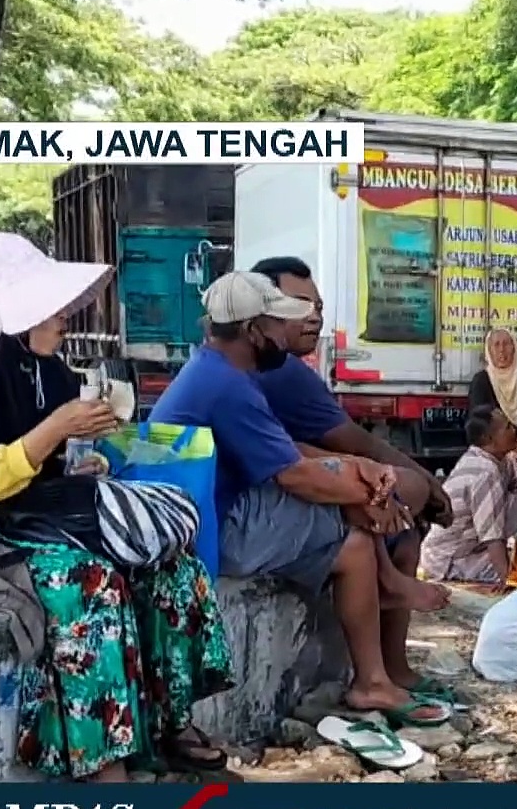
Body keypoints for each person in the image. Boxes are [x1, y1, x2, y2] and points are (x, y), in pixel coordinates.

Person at [0, 233, 231, 782]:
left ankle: (168, 723)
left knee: (171, 565)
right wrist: (54, 430)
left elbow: (45, 466)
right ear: (19, 310)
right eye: (55, 309)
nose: (66, 319)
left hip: (35, 517)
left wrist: (83, 458)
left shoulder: (47, 368)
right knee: (90, 582)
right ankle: (100, 762)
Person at [151, 272, 449, 721]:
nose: (286, 332)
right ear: (254, 331)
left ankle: (377, 666)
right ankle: (372, 681)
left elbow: (286, 449)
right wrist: (363, 493)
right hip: (217, 524)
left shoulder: (221, 370)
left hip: (215, 508)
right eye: (277, 324)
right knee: (352, 534)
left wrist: (359, 471)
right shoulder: (228, 385)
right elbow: (295, 476)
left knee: (352, 512)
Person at [248, 256, 450, 523]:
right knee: (410, 487)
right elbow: (361, 445)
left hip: (263, 493)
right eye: (298, 306)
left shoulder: (254, 365)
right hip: (253, 507)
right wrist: (430, 485)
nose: (315, 318)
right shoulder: (281, 370)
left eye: (318, 307)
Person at [419, 406, 517, 584]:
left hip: (470, 551)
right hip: (450, 560)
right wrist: (508, 582)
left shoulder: (500, 461)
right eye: (507, 427)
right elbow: (492, 537)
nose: (514, 430)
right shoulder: (485, 472)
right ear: (488, 438)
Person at [468, 327, 517, 436]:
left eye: (506, 344)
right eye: (496, 345)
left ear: (514, 349)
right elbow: (480, 425)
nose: (502, 349)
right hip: (493, 448)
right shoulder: (481, 381)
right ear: (489, 351)